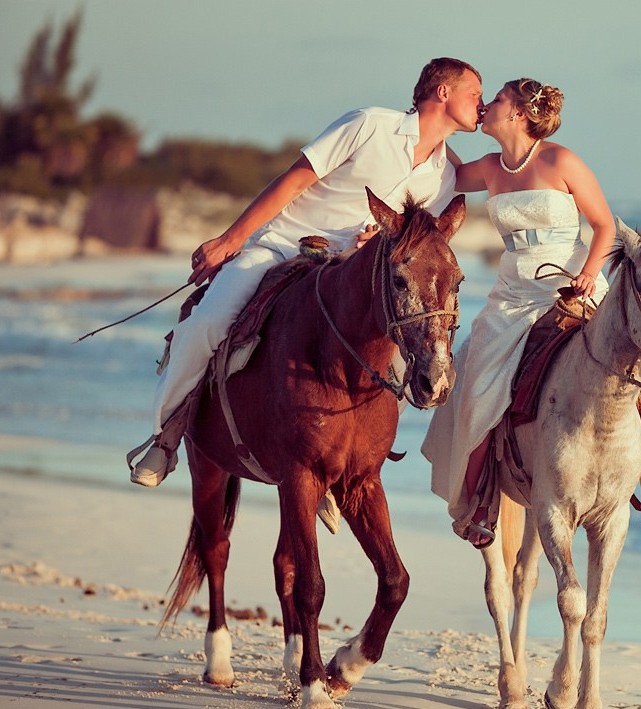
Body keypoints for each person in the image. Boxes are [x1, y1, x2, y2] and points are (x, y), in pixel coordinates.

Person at [129, 57, 484, 487]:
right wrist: (230, 240)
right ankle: (164, 437)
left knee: (400, 366)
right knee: (207, 323)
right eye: (476, 94)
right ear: (443, 92)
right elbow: (295, 179)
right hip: (284, 246)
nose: (481, 106)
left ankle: (344, 467)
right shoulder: (370, 124)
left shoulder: (443, 176)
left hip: (351, 279)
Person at [420, 78, 641, 548]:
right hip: (513, 293)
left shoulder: (559, 160)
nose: (487, 105)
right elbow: (439, 171)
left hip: (571, 283)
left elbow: (604, 225)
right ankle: (481, 499)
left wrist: (589, 274)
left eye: (497, 100)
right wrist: (440, 123)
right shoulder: (487, 168)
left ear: (519, 114)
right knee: (477, 385)